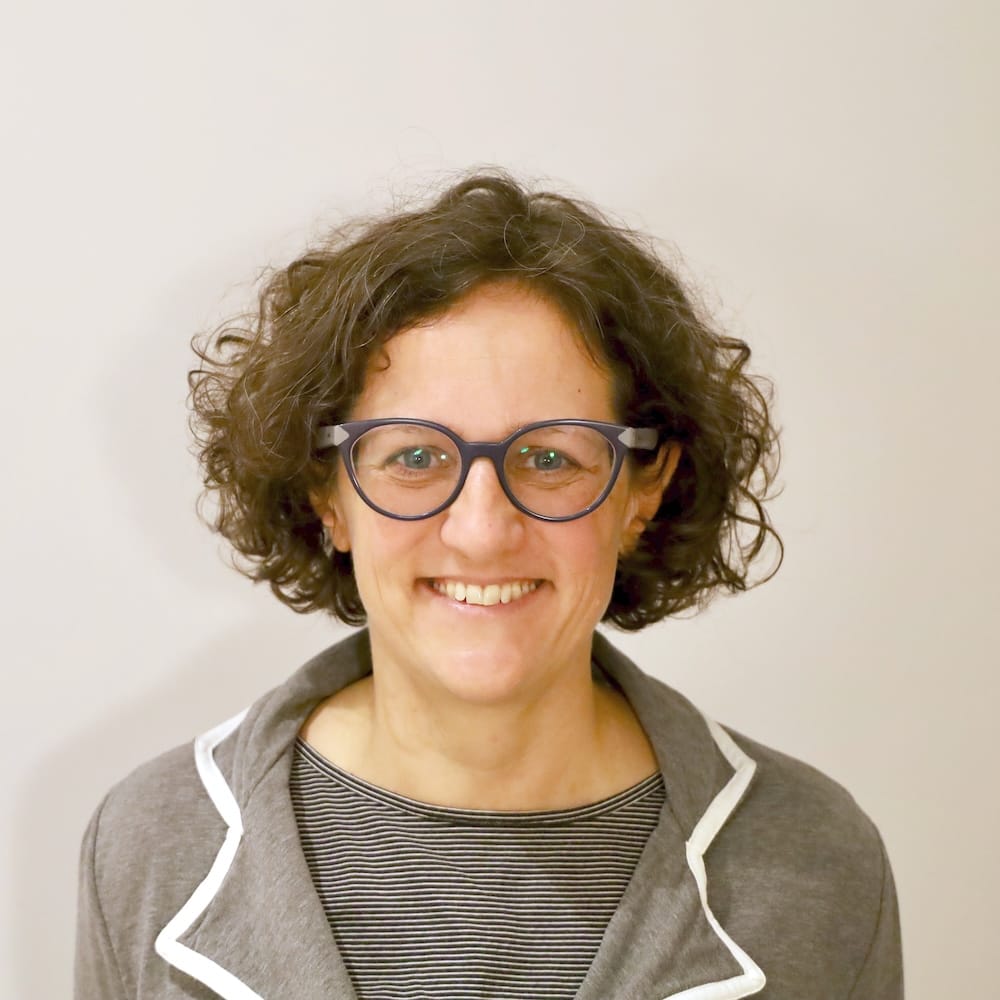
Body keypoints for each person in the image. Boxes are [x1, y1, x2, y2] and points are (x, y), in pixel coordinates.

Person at [74, 171, 903, 999]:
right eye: (414, 457)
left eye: (549, 458)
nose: (481, 530)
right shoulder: (151, 845)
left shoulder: (816, 863)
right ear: (327, 494)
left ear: (643, 492)